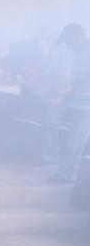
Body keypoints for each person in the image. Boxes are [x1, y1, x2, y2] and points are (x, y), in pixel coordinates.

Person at [49, 23, 90, 182]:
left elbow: (83, 79)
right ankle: (63, 168)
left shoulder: (87, 51)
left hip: (85, 104)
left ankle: (66, 174)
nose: (67, 46)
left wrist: (66, 93)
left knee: (75, 140)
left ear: (77, 37)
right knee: (64, 132)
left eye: (68, 42)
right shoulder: (81, 52)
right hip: (77, 102)